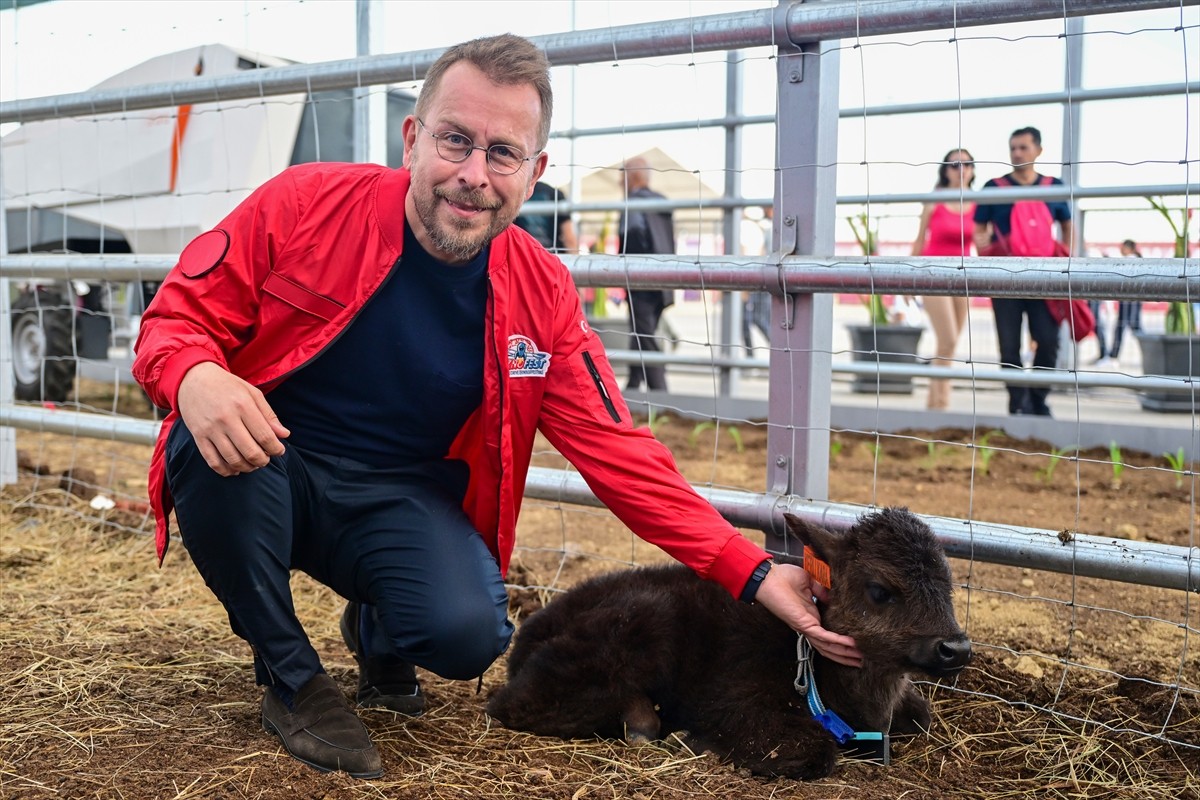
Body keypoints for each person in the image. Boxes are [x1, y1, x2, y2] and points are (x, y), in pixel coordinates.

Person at [132, 34, 861, 780]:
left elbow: (623, 457)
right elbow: (174, 318)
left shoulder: (541, 294)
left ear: (535, 172)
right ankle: (291, 680)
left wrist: (752, 571)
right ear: (413, 139)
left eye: (503, 153)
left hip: (398, 499)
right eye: (455, 141)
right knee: (208, 440)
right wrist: (194, 374)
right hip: (271, 460)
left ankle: (381, 626)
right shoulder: (305, 203)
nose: (473, 175)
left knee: (467, 632)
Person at [973, 126, 1073, 417]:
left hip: (1046, 278)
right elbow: (980, 226)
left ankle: (1038, 399)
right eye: (1013, 147)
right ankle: (1017, 402)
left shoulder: (1054, 186)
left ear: (1038, 150)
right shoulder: (994, 187)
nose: (1017, 153)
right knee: (1008, 346)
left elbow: (1067, 223)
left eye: (1023, 147)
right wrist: (983, 243)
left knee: (1049, 341)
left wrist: (1065, 259)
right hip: (1003, 278)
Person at [911, 149, 976, 410]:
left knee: (948, 346)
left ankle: (934, 407)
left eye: (966, 164)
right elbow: (919, 240)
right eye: (954, 164)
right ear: (945, 169)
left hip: (964, 278)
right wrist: (906, 279)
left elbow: (983, 242)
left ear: (973, 169)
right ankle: (940, 406)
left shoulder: (981, 201)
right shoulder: (934, 199)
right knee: (947, 340)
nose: (960, 169)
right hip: (933, 275)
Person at [618, 156, 676, 392]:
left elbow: (630, 237)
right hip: (665, 280)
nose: (619, 185)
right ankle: (632, 385)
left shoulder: (632, 202)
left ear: (633, 177)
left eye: (621, 179)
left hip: (640, 279)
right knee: (642, 332)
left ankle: (661, 393)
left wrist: (622, 273)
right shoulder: (663, 202)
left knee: (645, 336)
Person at [1090, 239, 1143, 366]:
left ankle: (1113, 355)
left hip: (1128, 299)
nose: (1121, 249)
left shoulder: (1129, 260)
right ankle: (1114, 354)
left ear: (1128, 248)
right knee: (1134, 326)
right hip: (1134, 299)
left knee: (1122, 326)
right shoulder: (1138, 261)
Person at [514, 180, 578, 254]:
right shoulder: (555, 194)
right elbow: (569, 237)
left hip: (524, 255)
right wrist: (574, 260)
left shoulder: (516, 194)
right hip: (553, 256)